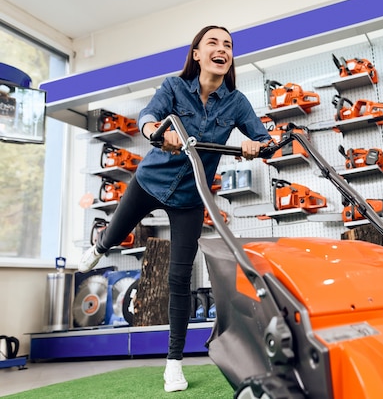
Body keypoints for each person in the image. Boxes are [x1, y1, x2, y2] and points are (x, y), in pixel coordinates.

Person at [78, 25, 271, 392]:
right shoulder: (174, 87)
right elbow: (148, 115)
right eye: (212, 43)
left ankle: (173, 363)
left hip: (190, 198)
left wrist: (257, 145)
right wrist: (156, 131)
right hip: (149, 182)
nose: (222, 49)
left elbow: (262, 139)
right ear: (196, 54)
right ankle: (99, 247)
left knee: (179, 279)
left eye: (228, 45)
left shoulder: (236, 102)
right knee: (115, 235)